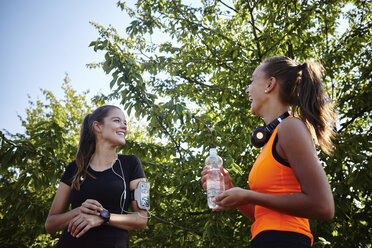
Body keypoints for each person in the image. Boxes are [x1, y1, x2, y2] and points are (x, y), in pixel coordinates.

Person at [201, 56, 337, 247]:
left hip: (286, 240)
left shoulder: (290, 127)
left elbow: (323, 206)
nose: (247, 89)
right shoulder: (273, 139)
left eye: (252, 80)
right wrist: (231, 189)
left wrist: (248, 195)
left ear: (270, 84)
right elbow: (263, 214)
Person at [45, 105, 148, 248]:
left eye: (125, 123)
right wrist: (79, 210)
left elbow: (142, 219)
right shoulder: (74, 168)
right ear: (98, 127)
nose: (124, 127)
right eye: (117, 120)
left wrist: (103, 217)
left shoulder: (132, 164)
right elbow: (50, 225)